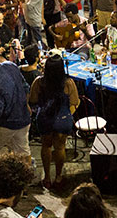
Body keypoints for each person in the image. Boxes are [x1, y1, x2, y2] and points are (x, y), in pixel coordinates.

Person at [30, 55, 80, 188]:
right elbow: (75, 102)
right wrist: (67, 115)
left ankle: (47, 177)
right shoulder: (68, 83)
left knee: (46, 146)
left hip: (45, 118)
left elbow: (33, 100)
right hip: (62, 119)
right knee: (60, 147)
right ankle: (58, 176)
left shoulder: (38, 82)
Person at [0, 46, 32, 159]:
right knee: (23, 152)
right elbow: (26, 87)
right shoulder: (11, 66)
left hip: (5, 123)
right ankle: (27, 176)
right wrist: (25, 105)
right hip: (23, 119)